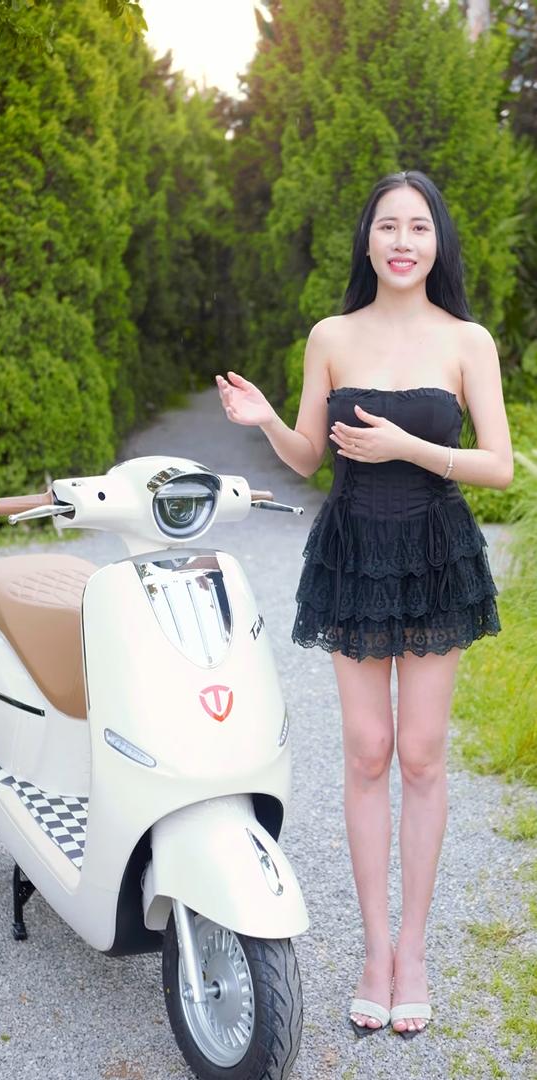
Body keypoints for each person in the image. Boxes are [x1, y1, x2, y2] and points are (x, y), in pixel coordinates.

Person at [216, 170, 513, 1040]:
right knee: (366, 749)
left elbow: (498, 465)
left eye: (417, 226)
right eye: (387, 226)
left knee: (419, 753)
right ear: (368, 240)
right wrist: (266, 420)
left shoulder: (466, 341)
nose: (401, 241)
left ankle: (412, 953)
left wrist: (408, 446)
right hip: (351, 551)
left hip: (432, 553)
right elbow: (308, 457)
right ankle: (373, 952)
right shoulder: (331, 336)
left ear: (436, 241)